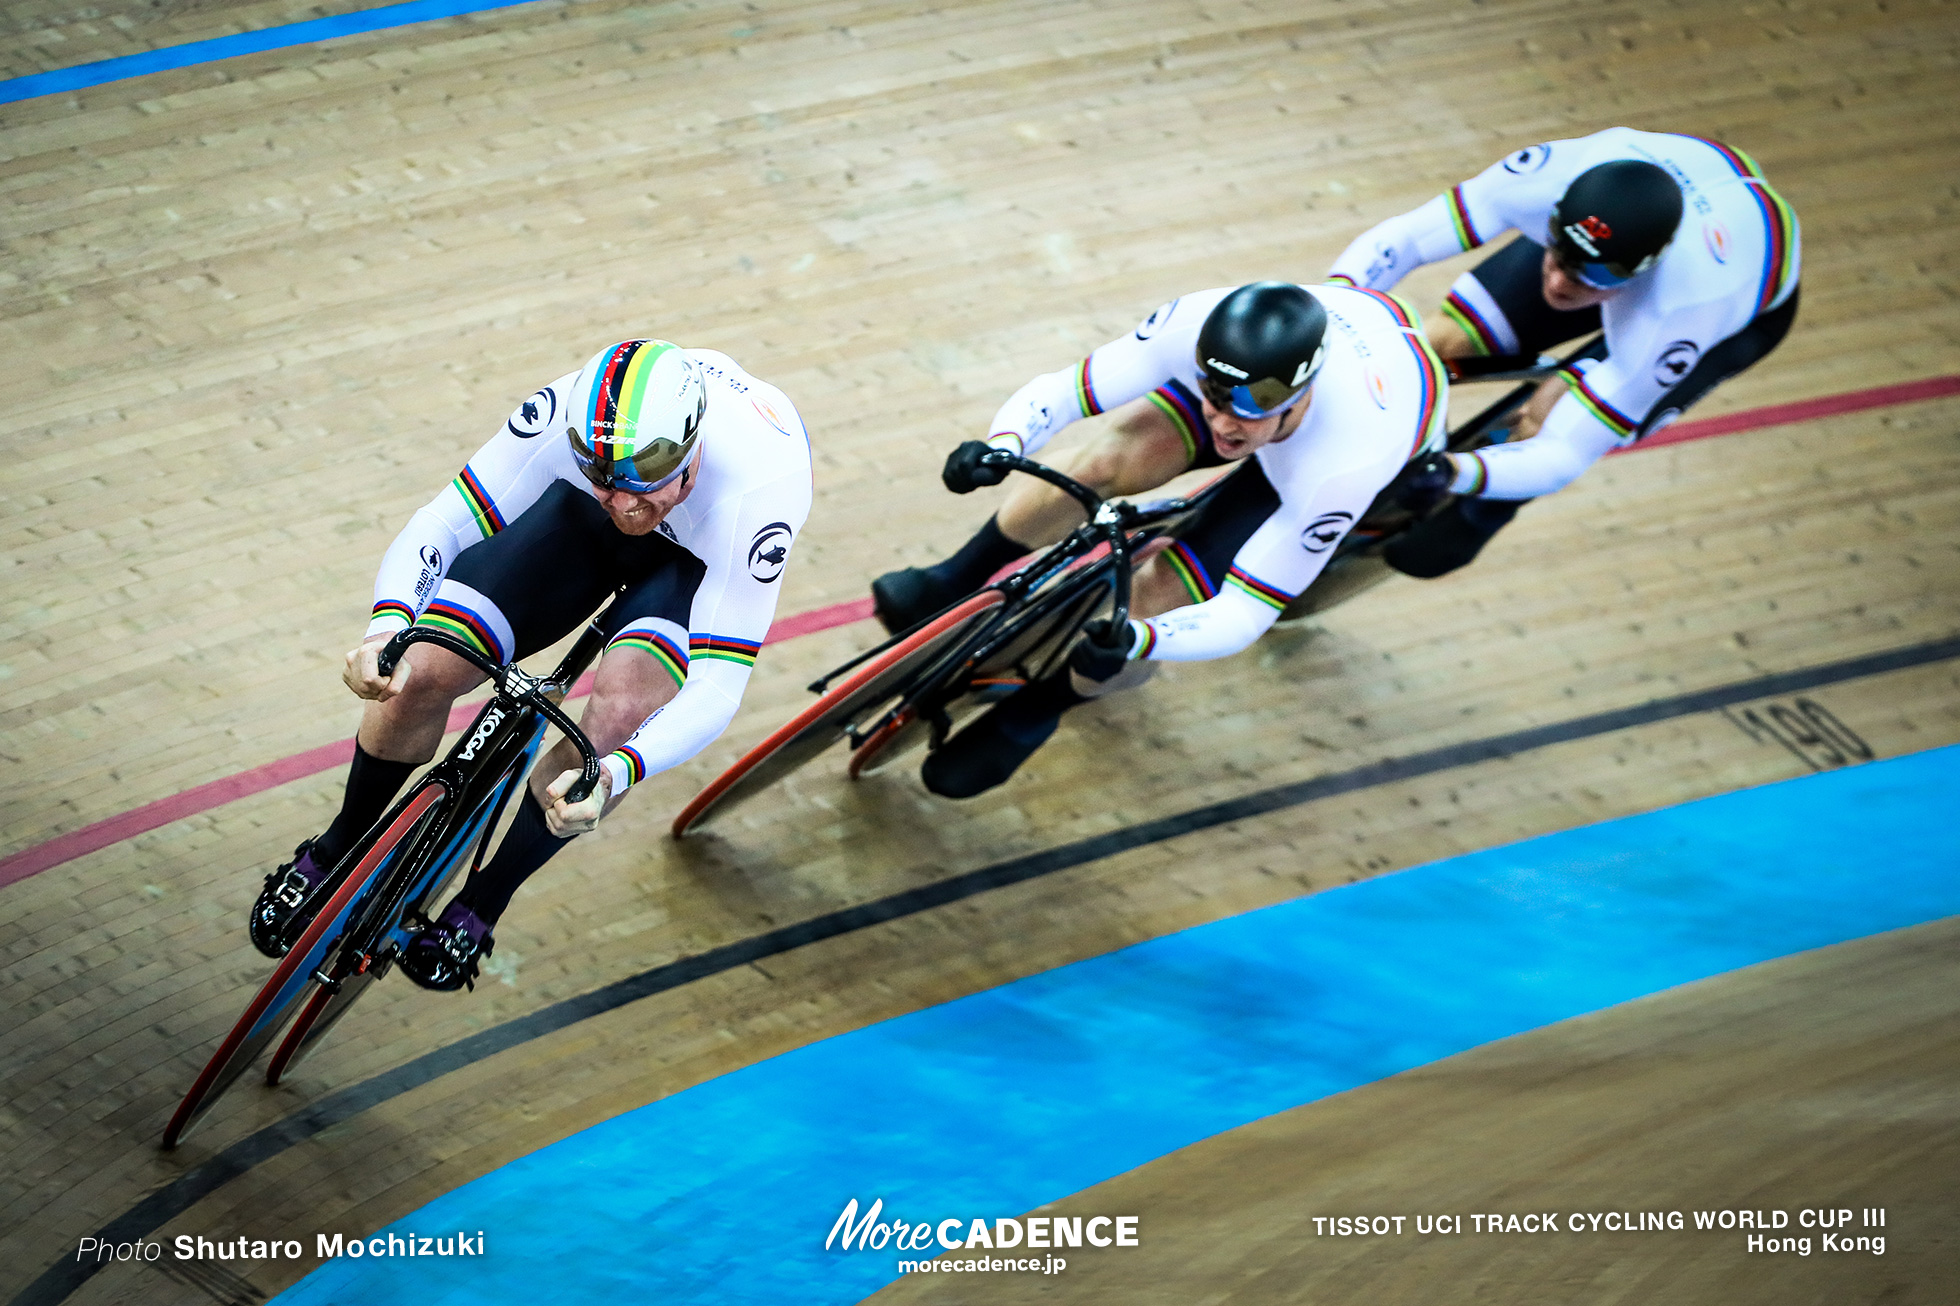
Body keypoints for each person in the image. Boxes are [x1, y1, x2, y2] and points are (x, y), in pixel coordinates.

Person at [249, 340, 811, 988]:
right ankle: (340, 841)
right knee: (417, 672)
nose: (626, 505)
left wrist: (617, 772)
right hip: (577, 531)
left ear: (692, 454)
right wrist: (388, 629)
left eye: (644, 488)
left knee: (617, 724)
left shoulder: (758, 491)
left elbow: (717, 685)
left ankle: (482, 903)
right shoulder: (562, 415)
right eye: (607, 483)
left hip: (690, 567)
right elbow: (442, 525)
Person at [880, 281, 1447, 798]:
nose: (1225, 424)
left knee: (1162, 593)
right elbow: (1065, 392)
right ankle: (956, 575)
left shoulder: (1345, 466)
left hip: (1342, 445)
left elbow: (1247, 611)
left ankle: (1041, 706)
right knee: (1105, 461)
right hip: (1309, 370)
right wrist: (1003, 444)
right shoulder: (1195, 327)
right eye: (1214, 396)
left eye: (1249, 409)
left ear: (1301, 391)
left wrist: (1138, 639)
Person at [1324, 127, 1801, 576]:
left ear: (1641, 268)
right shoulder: (1544, 176)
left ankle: (1482, 513)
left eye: (1583, 279)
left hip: (1735, 311)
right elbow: (1405, 239)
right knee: (1441, 342)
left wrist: (1452, 471)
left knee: (1548, 417)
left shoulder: (1685, 308)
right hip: (1622, 238)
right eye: (1556, 257)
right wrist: (1328, 311)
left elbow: (1562, 454)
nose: (1557, 284)